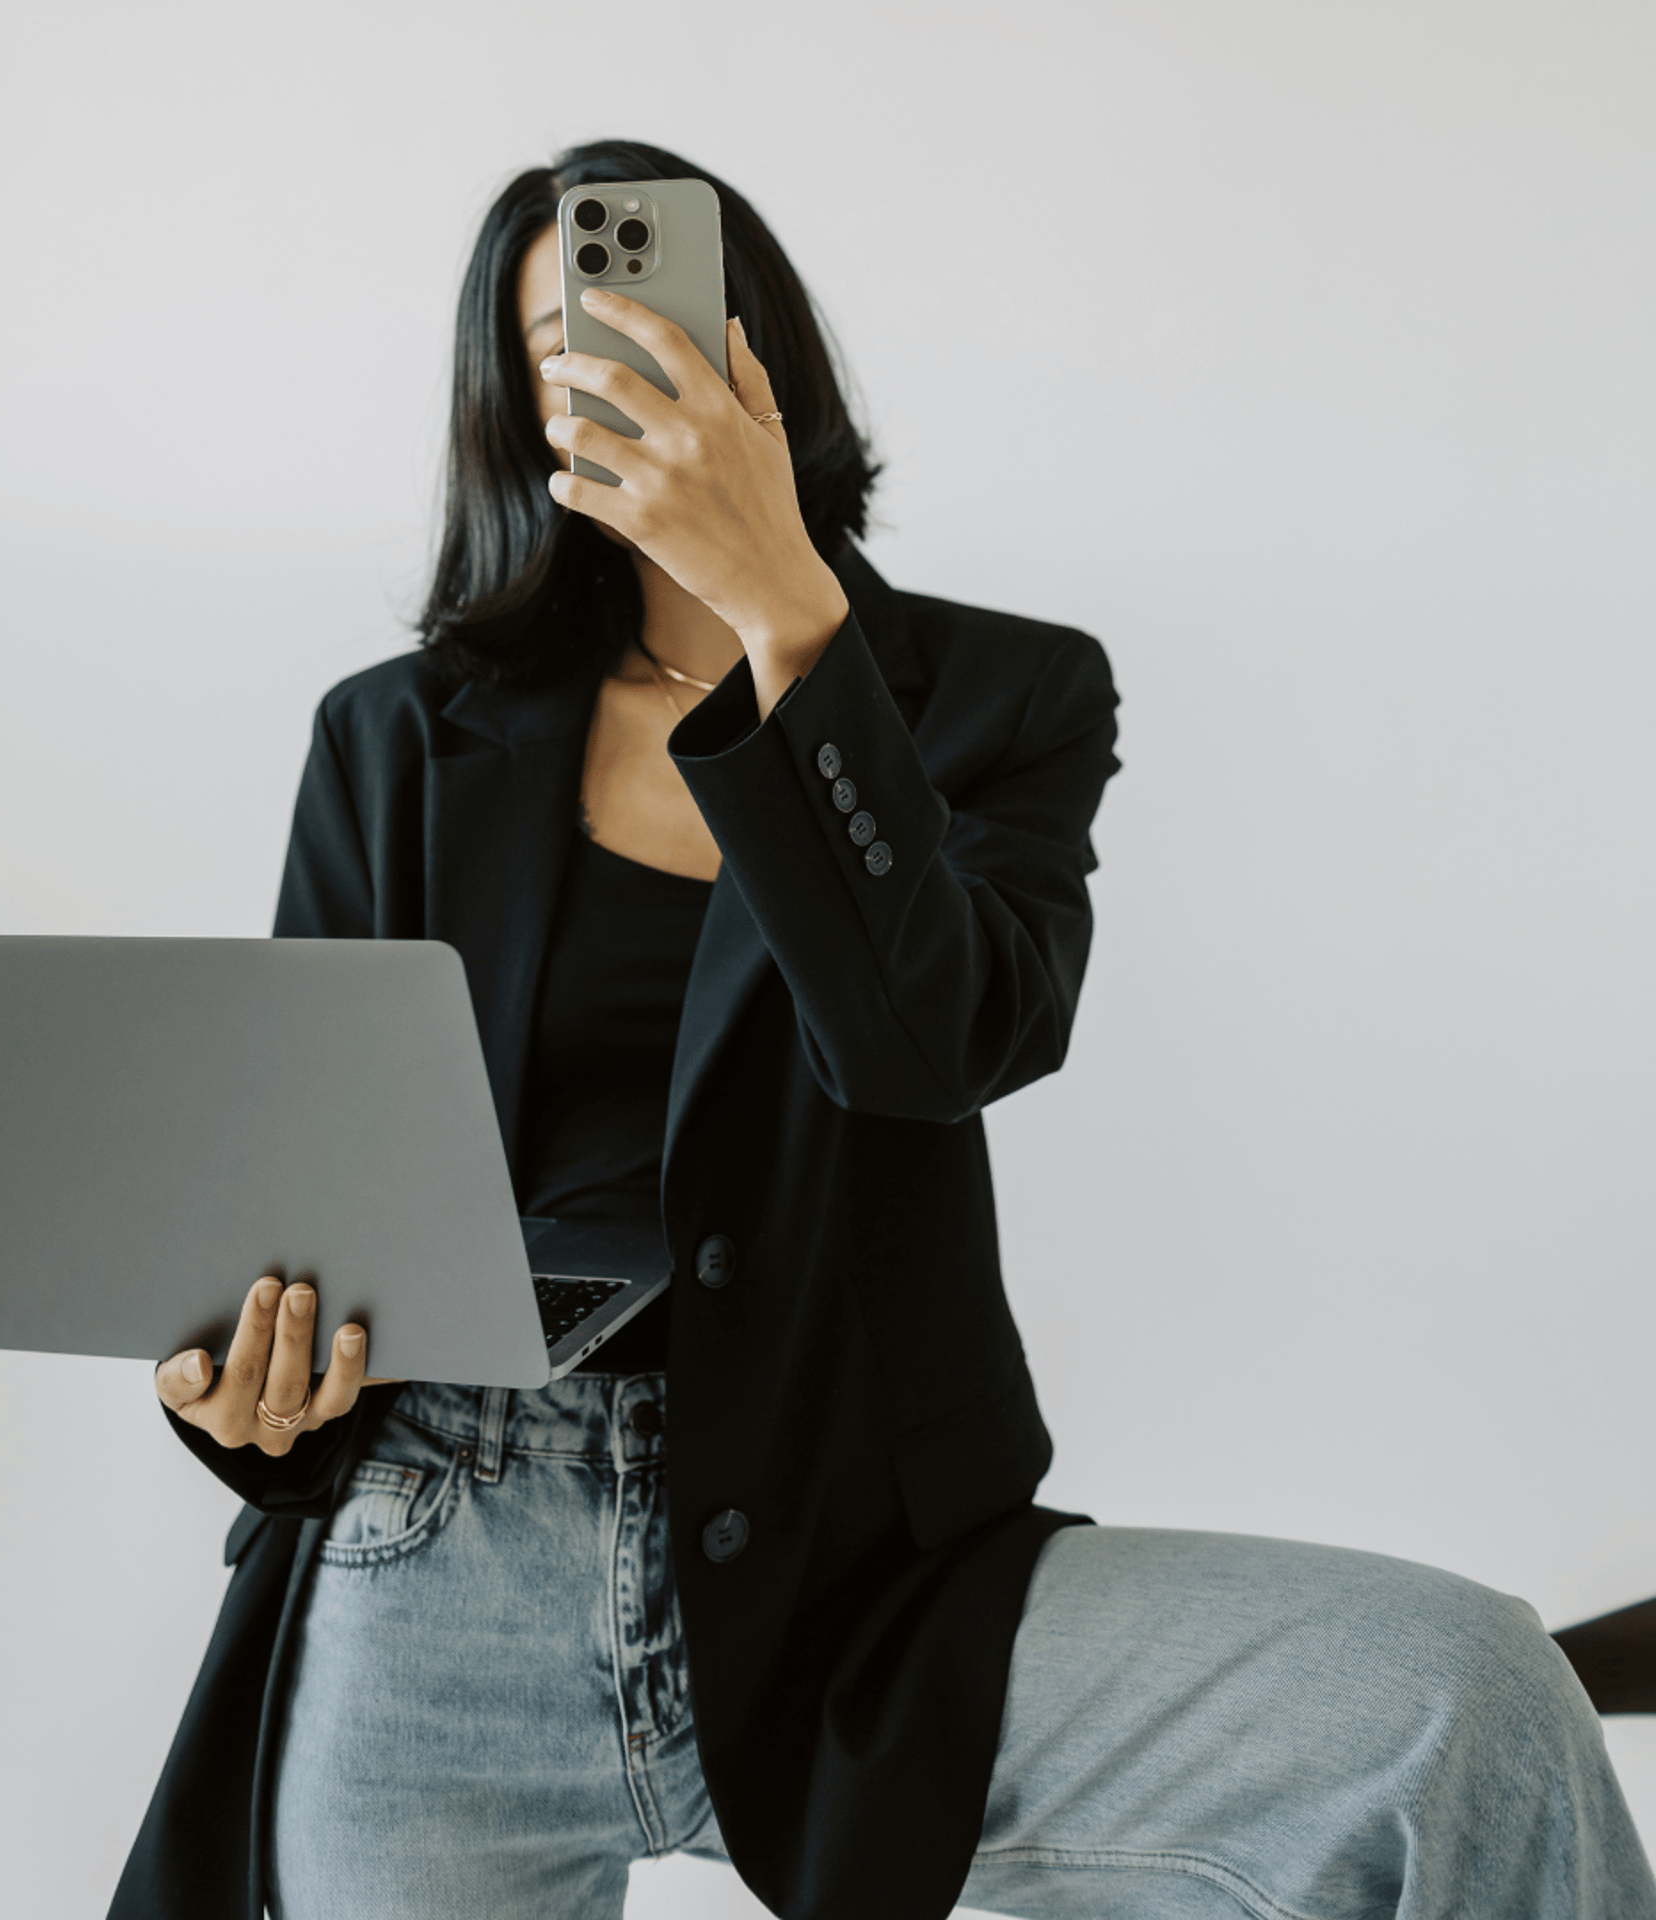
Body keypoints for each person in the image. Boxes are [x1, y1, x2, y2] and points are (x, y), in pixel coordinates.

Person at [110, 140, 1655, 1920]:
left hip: (864, 1569)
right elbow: (305, 1207)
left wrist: (787, 616)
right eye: (558, 351)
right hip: (443, 1536)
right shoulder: (398, 739)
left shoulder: (1004, 698)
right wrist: (250, 1399)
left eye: (656, 328)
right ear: (507, 411)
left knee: (1466, 1695)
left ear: (760, 360)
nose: (614, 377)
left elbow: (934, 1044)